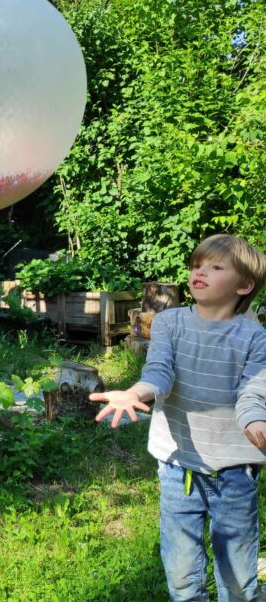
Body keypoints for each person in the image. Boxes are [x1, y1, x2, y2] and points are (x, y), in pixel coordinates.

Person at [90, 234, 266, 601]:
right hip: (176, 466)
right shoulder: (170, 323)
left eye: (216, 267)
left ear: (245, 284)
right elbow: (159, 373)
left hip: (234, 471)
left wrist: (255, 422)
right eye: (196, 265)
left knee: (237, 577)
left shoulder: (255, 336)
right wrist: (136, 392)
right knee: (182, 574)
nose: (200, 272)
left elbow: (253, 391)